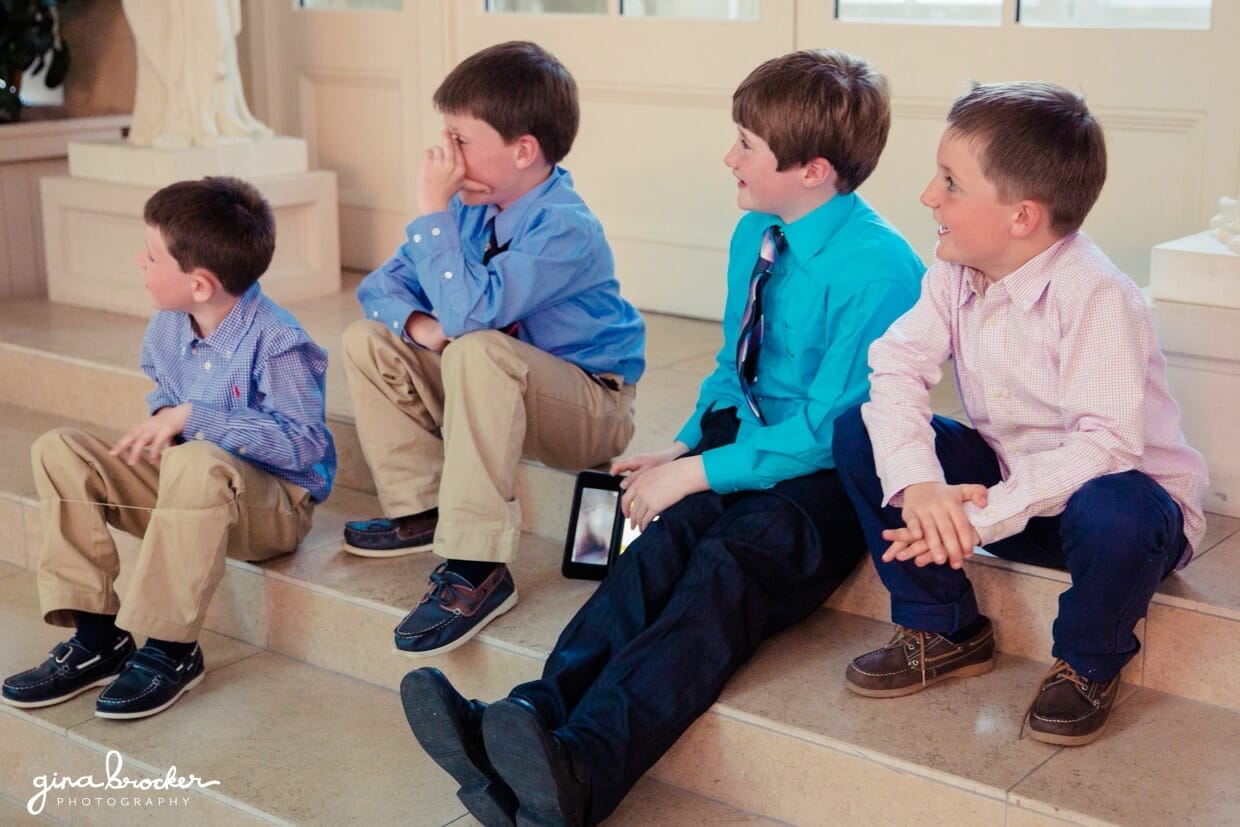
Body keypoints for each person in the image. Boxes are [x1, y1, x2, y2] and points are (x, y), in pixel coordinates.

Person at [400, 49, 923, 825]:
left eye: (746, 143)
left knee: (725, 564)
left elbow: (827, 431)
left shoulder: (881, 270)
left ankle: (584, 766)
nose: (729, 157)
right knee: (659, 544)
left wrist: (701, 473)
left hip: (826, 479)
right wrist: (683, 448)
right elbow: (731, 369)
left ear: (812, 171)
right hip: (746, 440)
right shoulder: (758, 233)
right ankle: (529, 717)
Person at [832, 81, 1209, 746]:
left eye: (951, 182)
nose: (928, 195)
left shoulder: (1097, 294)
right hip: (1014, 489)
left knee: (1114, 506)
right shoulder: (955, 269)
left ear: (1022, 217)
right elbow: (897, 366)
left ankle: (1089, 663)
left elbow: (1107, 445)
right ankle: (943, 626)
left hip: (1120, 515)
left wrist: (975, 519)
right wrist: (920, 487)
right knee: (861, 426)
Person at [339, 41, 645, 658]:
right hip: (498, 389)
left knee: (476, 347)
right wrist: (422, 326)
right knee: (368, 339)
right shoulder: (469, 209)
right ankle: (424, 508)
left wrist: (430, 211)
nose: (446, 158)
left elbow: (471, 316)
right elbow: (378, 289)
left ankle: (478, 566)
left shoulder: (565, 227)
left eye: (460, 140)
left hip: (587, 409)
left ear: (523, 150)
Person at [1, 176, 336, 720]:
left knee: (199, 461)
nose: (140, 260)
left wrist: (195, 418)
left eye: (152, 255)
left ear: (200, 284)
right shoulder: (166, 327)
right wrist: (167, 423)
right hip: (191, 494)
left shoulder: (278, 342)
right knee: (59, 449)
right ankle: (98, 638)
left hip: (271, 512)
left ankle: (171, 649)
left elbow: (305, 446)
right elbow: (166, 399)